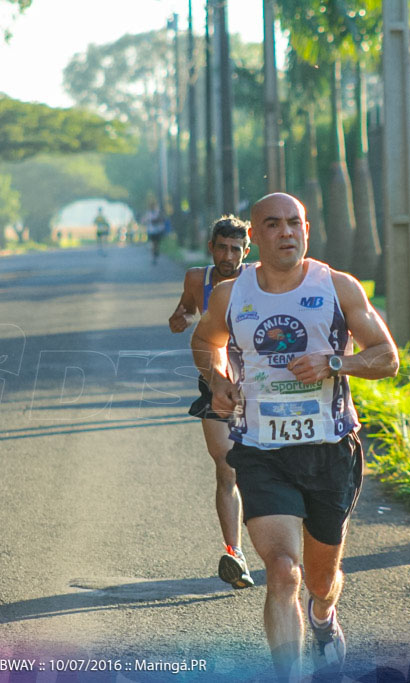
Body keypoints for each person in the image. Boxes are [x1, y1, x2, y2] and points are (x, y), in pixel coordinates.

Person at [191, 193, 399, 679]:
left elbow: (387, 357)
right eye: (273, 224)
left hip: (329, 450)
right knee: (284, 572)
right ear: (255, 237)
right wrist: (218, 380)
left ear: (306, 230)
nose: (286, 232)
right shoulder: (231, 294)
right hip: (262, 450)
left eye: (295, 223)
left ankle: (323, 616)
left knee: (322, 580)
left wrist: (335, 362)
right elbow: (206, 341)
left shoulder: (338, 288)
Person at [168, 215, 254, 589]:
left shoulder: (259, 279)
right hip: (216, 383)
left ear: (246, 252)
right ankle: (235, 554)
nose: (228, 256)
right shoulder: (196, 279)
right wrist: (182, 317)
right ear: (211, 248)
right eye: (222, 248)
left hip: (259, 385)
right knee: (227, 467)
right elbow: (187, 308)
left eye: (236, 249)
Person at [143, 200, 167, 265]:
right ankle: (154, 256)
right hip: (151, 231)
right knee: (153, 243)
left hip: (158, 230)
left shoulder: (158, 212)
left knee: (157, 243)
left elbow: (163, 219)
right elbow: (144, 220)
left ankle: (156, 252)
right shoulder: (148, 213)